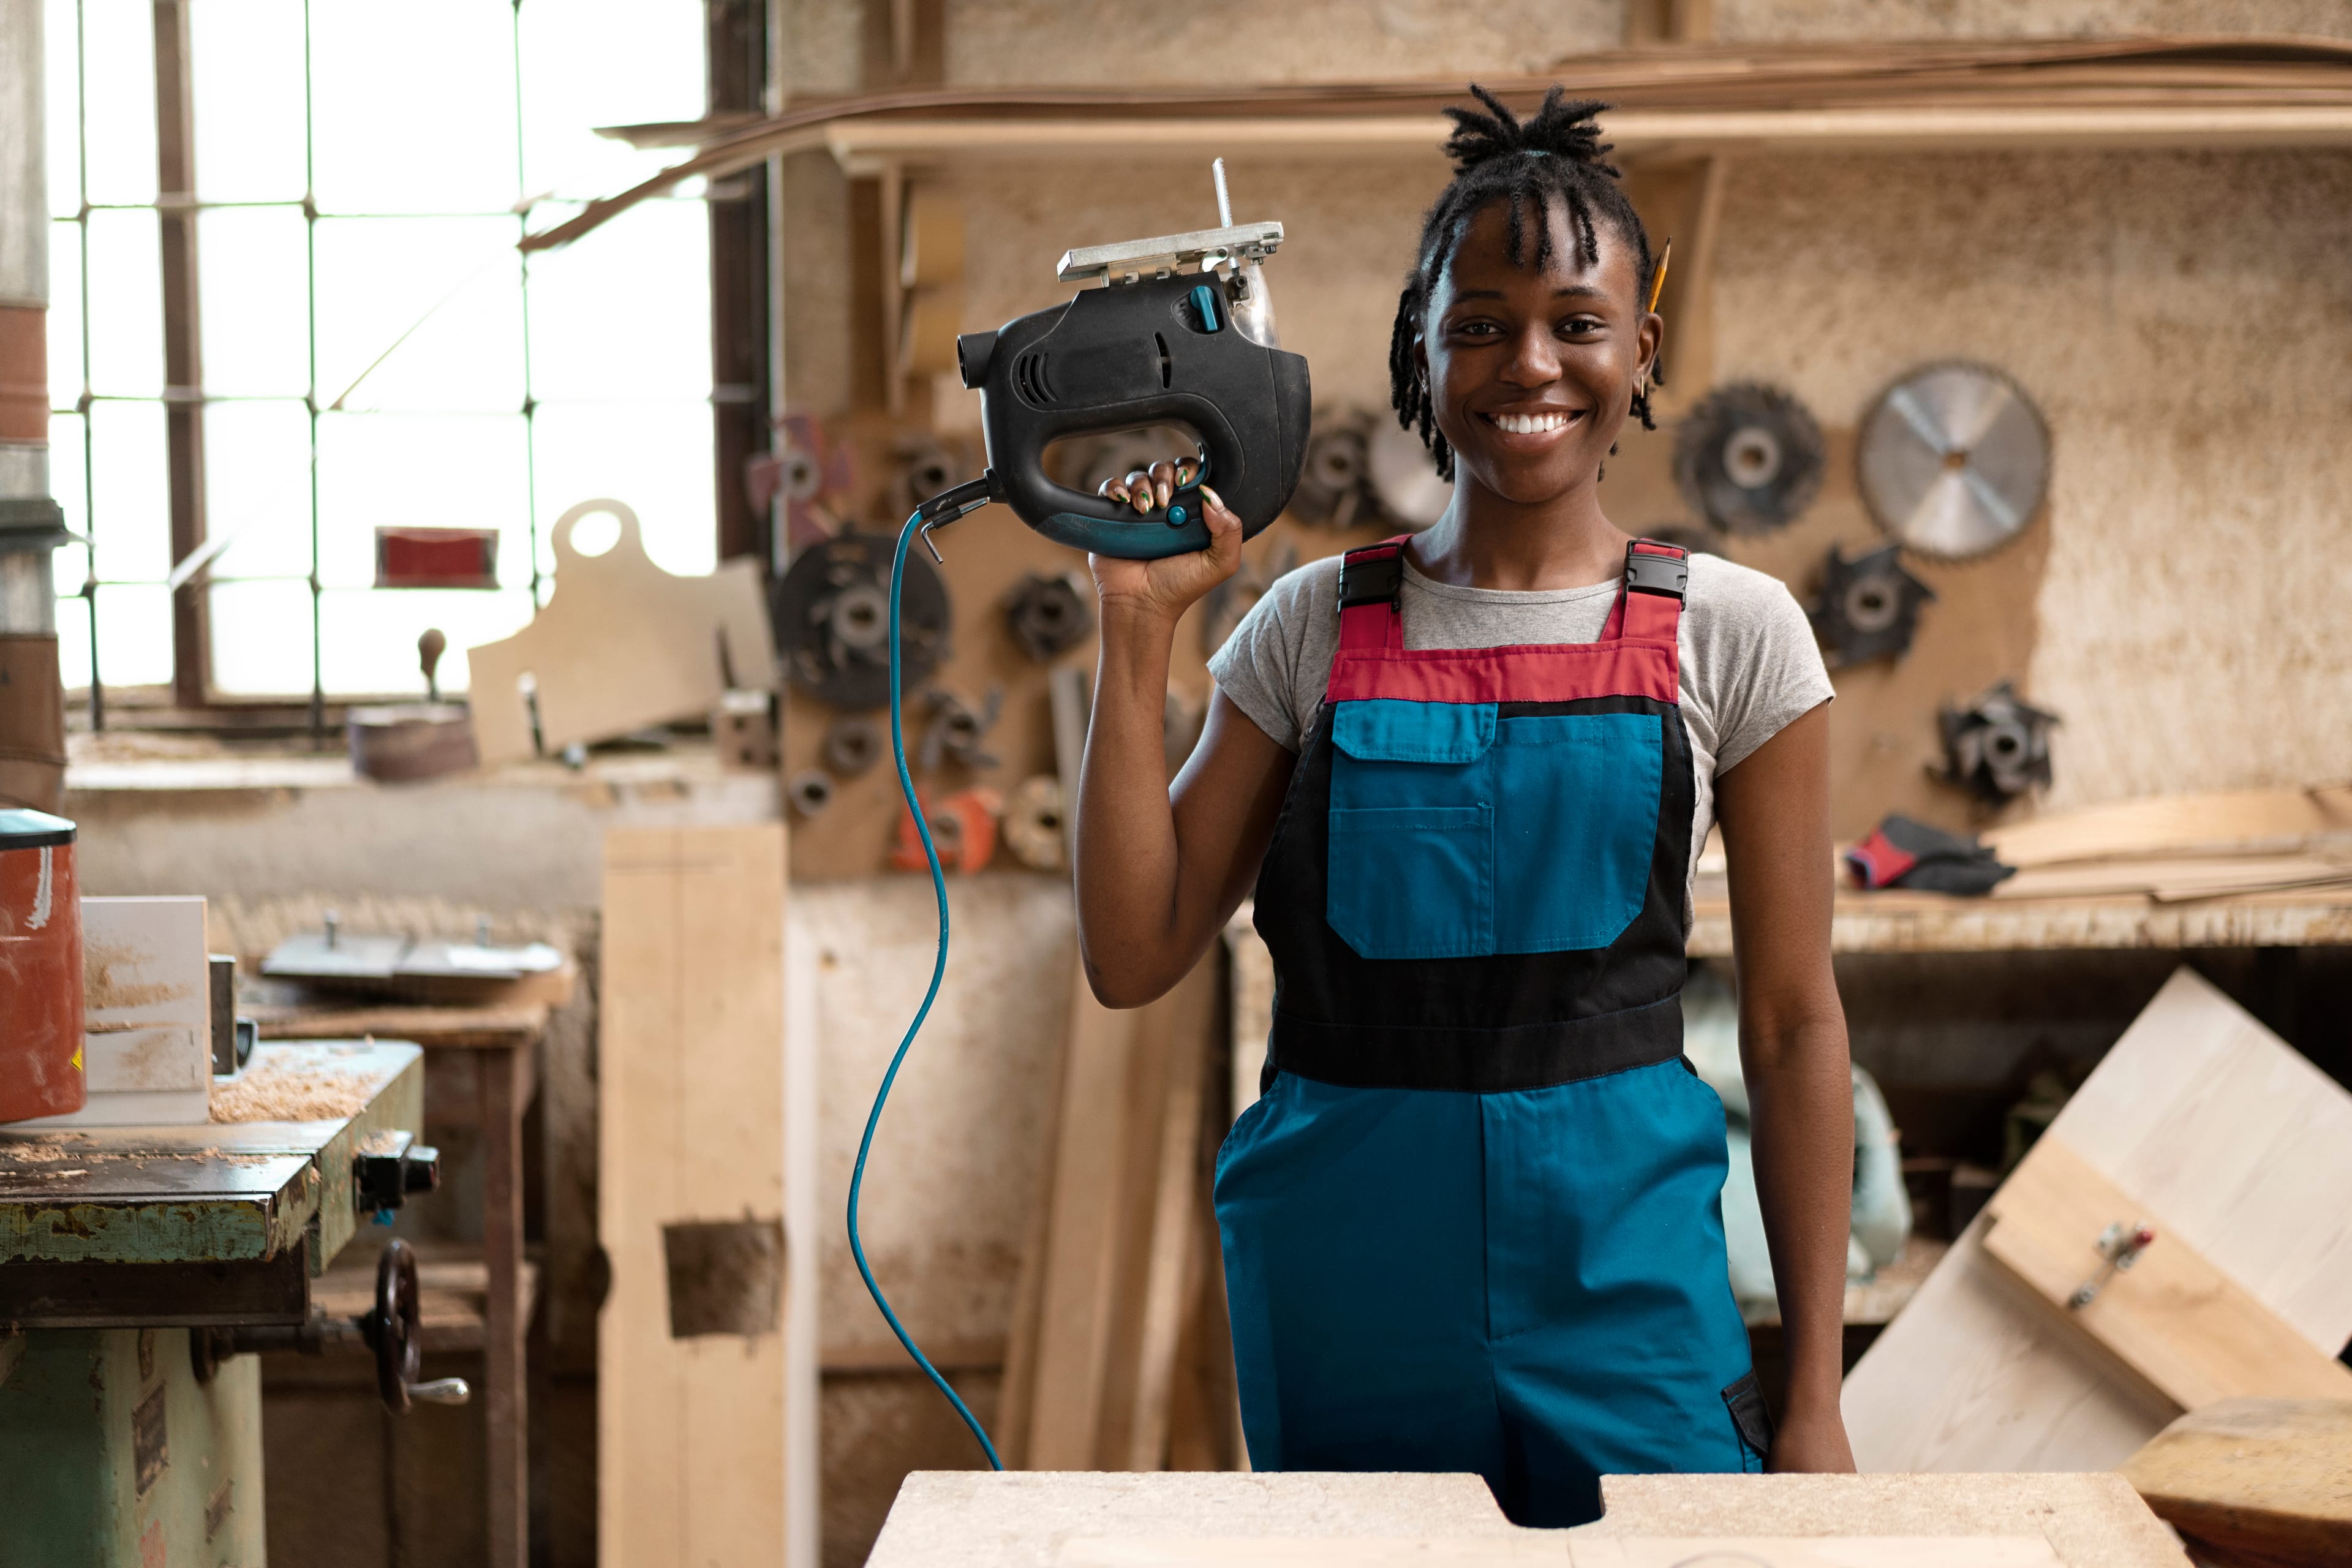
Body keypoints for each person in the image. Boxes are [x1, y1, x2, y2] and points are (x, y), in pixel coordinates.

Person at [1071, 86, 1856, 1527]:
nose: (1530, 361)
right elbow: (1132, 954)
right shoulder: (1309, 627)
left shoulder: (1737, 633)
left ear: (1643, 349)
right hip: (1346, 1283)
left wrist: (1815, 1393)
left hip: (1624, 1289)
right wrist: (1137, 631)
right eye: (1480, 321)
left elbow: (1798, 1020)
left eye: (1577, 318)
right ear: (1419, 351)